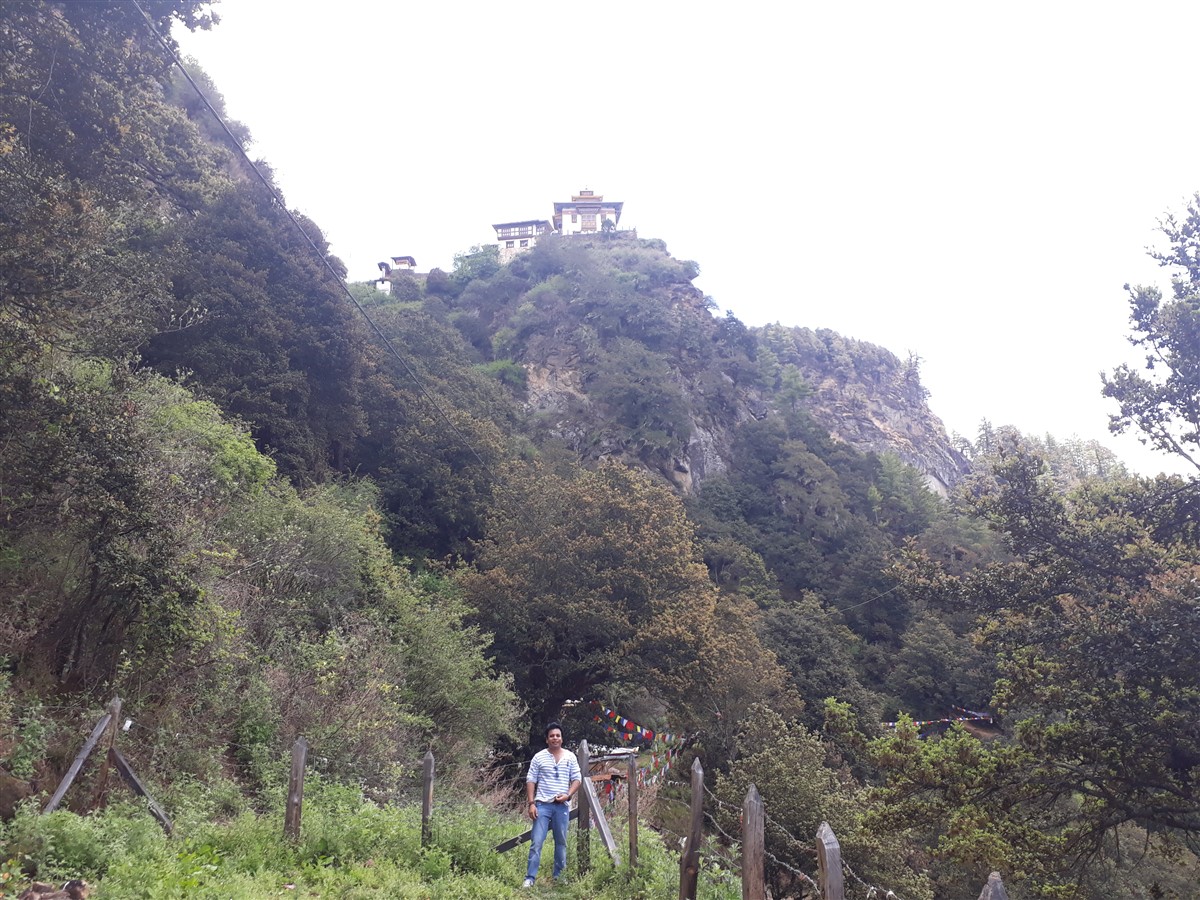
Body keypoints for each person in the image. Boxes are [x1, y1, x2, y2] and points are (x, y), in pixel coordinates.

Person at [523, 722, 581, 888]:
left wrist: (568, 795)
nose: (555, 738)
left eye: (558, 735)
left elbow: (578, 779)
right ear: (547, 739)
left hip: (562, 807)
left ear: (561, 738)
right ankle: (530, 878)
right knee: (537, 842)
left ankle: (559, 877)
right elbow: (531, 780)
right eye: (551, 736)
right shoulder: (539, 757)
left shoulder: (570, 757)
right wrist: (531, 803)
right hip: (542, 805)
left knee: (561, 842)